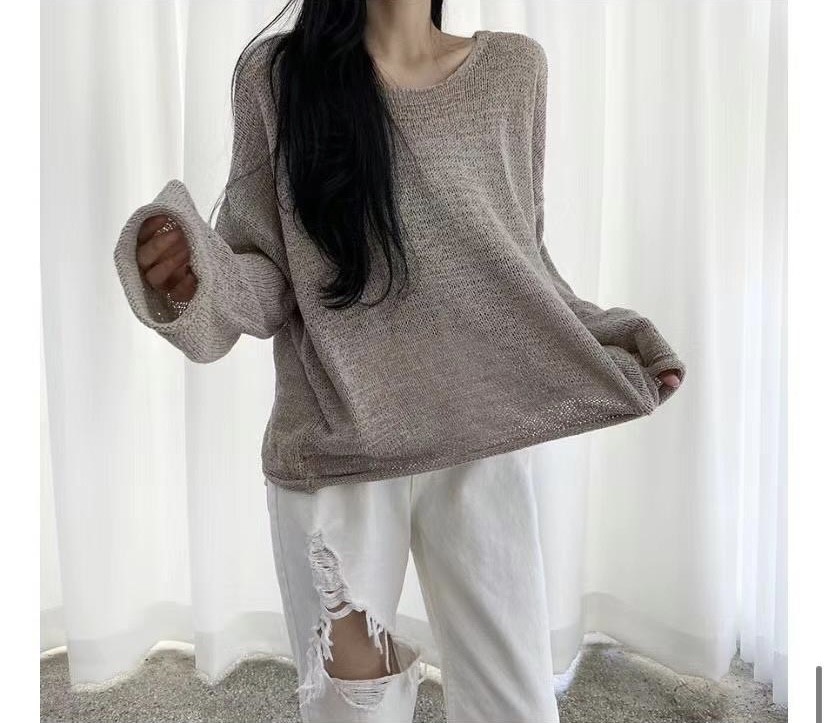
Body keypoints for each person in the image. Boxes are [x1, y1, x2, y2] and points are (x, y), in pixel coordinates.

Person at [112, 2, 686, 721]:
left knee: (516, 707)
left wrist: (607, 337)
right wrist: (200, 277)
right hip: (339, 455)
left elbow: (519, 261)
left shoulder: (514, 72)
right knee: (354, 708)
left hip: (481, 439)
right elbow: (269, 273)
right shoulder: (279, 79)